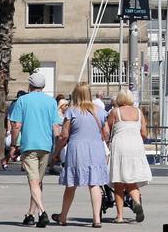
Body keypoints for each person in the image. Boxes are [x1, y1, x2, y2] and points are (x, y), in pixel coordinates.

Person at [8, 72, 63, 228]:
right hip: (46, 146)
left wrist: (13, 144)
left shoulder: (22, 101)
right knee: (38, 182)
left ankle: (42, 212)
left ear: (30, 85)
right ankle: (30, 215)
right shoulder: (51, 102)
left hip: (29, 145)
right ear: (43, 86)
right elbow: (56, 127)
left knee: (33, 182)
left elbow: (16, 126)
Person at [52, 82, 108, 228]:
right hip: (95, 149)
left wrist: (56, 153)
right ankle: (97, 219)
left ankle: (63, 216)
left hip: (77, 149)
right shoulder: (100, 111)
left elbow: (64, 135)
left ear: (76, 94)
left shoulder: (72, 111)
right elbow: (106, 132)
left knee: (71, 184)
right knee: (94, 183)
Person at [104, 89, 152, 224]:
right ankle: (136, 202)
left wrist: (106, 141)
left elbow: (106, 131)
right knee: (131, 179)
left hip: (120, 145)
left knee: (118, 181)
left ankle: (119, 216)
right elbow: (144, 133)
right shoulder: (139, 112)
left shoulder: (115, 112)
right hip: (135, 145)